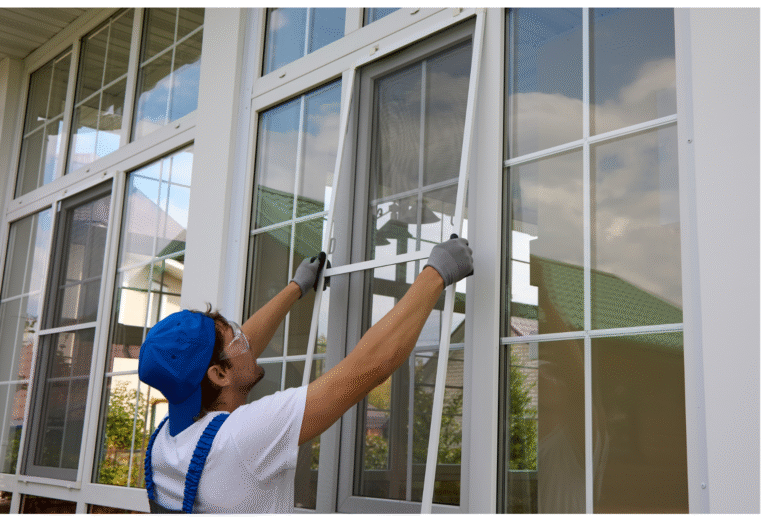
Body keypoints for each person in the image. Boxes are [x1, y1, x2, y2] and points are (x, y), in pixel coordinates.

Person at [138, 236, 473, 513]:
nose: (246, 339)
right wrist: (436, 274)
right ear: (219, 375)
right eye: (236, 337)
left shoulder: (165, 443)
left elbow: (236, 351)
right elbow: (368, 367)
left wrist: (294, 288)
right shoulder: (242, 438)